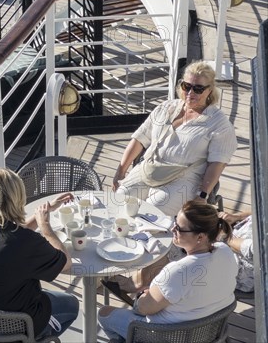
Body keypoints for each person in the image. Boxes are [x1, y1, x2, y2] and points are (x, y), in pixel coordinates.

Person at [0, 168, 79, 339]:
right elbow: (65, 263)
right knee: (71, 304)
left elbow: (9, 239)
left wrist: (44, 213)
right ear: (18, 197)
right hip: (10, 328)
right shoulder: (26, 242)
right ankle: (37, 336)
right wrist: (45, 227)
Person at [113, 61, 237, 217]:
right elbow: (139, 139)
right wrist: (120, 171)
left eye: (198, 89)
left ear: (210, 91)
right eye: (187, 86)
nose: (191, 93)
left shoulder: (219, 124)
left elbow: (217, 163)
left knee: (151, 214)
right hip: (150, 169)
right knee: (120, 202)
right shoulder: (167, 107)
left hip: (184, 179)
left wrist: (203, 195)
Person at [98, 201, 238, 341]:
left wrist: (142, 294)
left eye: (179, 228)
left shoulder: (177, 271)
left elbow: (142, 309)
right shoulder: (225, 251)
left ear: (200, 237)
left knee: (104, 313)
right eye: (174, 223)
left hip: (167, 336)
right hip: (210, 333)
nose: (172, 229)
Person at [219, 210, 254, 292]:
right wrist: (236, 217)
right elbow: (261, 212)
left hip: (243, 267)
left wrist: (223, 236)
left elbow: (253, 249)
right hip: (233, 235)